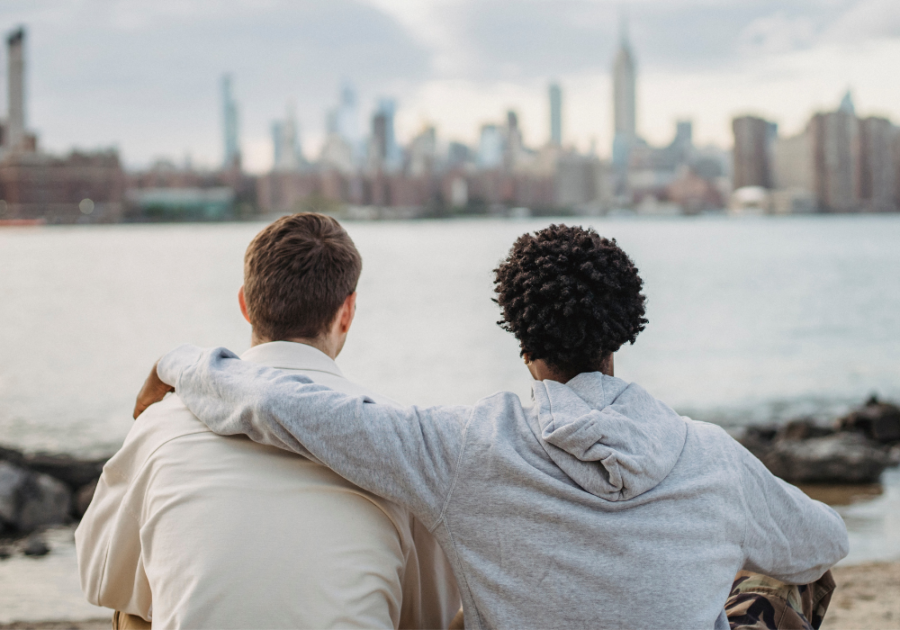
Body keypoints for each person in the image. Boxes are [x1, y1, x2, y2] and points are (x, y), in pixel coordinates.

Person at [137, 224, 848, 630]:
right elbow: (824, 544)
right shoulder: (711, 457)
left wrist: (182, 363)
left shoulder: (459, 447)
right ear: (624, 331)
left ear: (518, 333)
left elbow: (285, 406)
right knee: (789, 581)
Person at [77, 213, 460, 629]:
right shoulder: (399, 442)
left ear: (245, 303)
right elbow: (427, 618)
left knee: (131, 610)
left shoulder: (163, 424)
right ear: (346, 312)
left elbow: (98, 576)